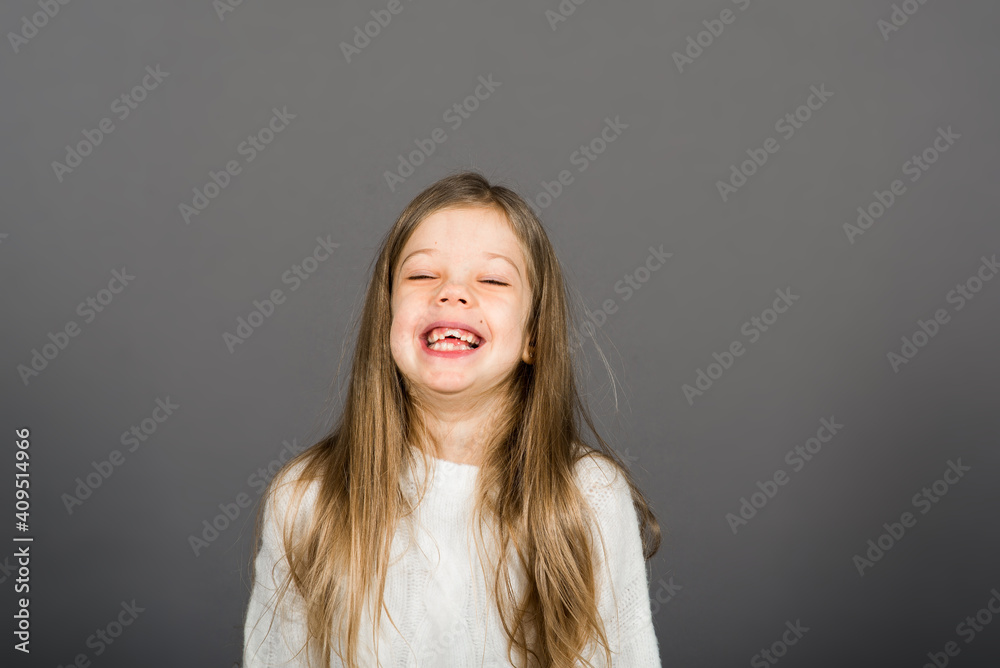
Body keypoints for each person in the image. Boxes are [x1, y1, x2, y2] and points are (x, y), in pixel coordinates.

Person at [242, 170, 663, 667]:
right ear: (387, 322)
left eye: (493, 279)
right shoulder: (307, 498)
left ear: (533, 336)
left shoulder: (588, 497)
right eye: (422, 275)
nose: (453, 293)